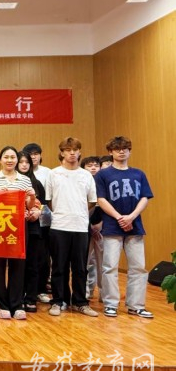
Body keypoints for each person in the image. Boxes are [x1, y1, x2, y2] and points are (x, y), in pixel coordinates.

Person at [94, 136, 154, 318]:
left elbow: (145, 197)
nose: (121, 151)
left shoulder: (139, 174)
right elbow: (101, 199)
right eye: (117, 149)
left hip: (135, 226)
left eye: (125, 148)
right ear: (110, 152)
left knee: (138, 267)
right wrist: (119, 217)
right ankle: (111, 304)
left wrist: (132, 217)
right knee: (109, 267)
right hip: (112, 227)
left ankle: (136, 305)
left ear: (129, 151)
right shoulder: (103, 175)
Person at [45, 137, 98, 318]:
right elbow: (49, 201)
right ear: (62, 153)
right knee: (59, 267)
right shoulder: (53, 174)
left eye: (75, 149)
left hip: (81, 226)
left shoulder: (86, 175)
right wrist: (63, 213)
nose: (72, 153)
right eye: (68, 150)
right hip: (59, 225)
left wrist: (78, 212)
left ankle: (80, 302)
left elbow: (92, 201)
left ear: (79, 152)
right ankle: (58, 301)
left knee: (80, 268)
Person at [0, 146, 35, 321]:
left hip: (18, 226)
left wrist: (32, 197)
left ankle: (17, 304)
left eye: (13, 157)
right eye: (6, 157)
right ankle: (2, 304)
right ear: (0, 160)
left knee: (18, 265)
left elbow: (29, 206)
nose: (10, 160)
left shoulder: (25, 179)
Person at [16, 151, 44, 313]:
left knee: (33, 264)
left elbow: (45, 204)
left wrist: (38, 212)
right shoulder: (13, 181)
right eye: (21, 162)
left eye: (27, 162)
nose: (24, 165)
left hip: (33, 227)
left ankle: (31, 298)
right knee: (18, 265)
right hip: (15, 228)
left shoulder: (36, 183)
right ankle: (18, 297)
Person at [81, 156, 104, 300]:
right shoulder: (81, 183)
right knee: (85, 262)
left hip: (103, 228)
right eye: (89, 165)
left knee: (103, 263)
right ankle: (85, 292)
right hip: (84, 227)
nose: (93, 168)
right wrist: (89, 225)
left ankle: (104, 293)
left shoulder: (104, 182)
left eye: (96, 165)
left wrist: (101, 224)